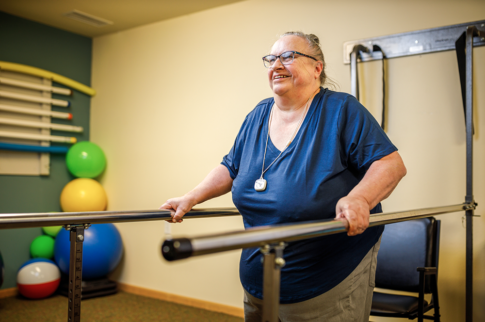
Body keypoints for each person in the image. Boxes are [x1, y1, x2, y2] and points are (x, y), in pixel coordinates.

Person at [160, 31, 407, 322]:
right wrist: (190, 198)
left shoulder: (341, 110)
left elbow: (390, 165)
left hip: (326, 279)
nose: (276, 64)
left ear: (317, 68)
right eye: (271, 59)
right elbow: (230, 167)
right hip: (259, 276)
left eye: (288, 56)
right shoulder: (257, 115)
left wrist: (359, 199)